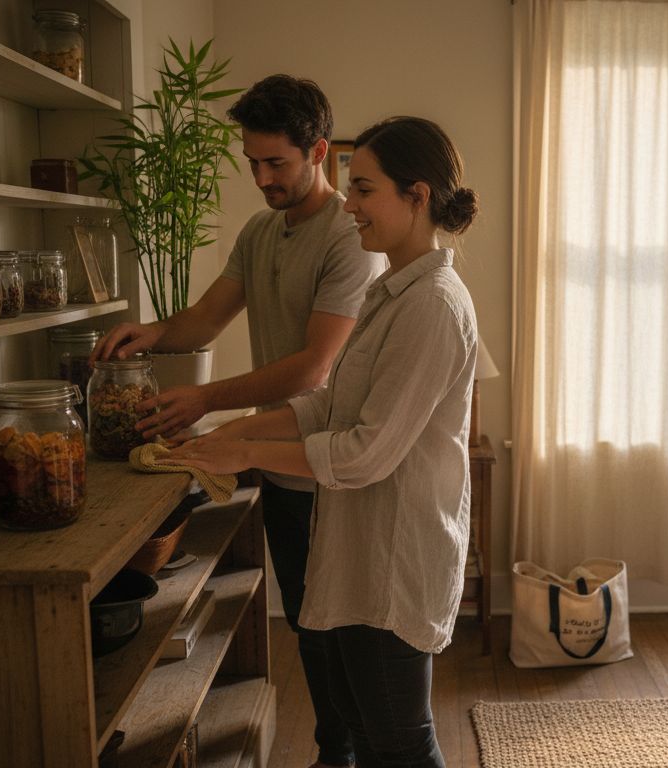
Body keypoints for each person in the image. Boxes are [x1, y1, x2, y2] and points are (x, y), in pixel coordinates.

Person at [165, 116, 480, 768]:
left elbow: (364, 452)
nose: (351, 205)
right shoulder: (393, 291)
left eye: (363, 189)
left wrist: (247, 452)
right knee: (369, 736)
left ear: (416, 195)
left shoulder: (433, 306)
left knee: (400, 743)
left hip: (394, 563)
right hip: (363, 553)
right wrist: (240, 428)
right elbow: (330, 405)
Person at [91, 75, 385, 768]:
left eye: (274, 162)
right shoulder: (260, 231)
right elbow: (204, 319)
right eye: (251, 161)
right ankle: (335, 754)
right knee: (311, 628)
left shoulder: (352, 237)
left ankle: (350, 754)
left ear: (318, 151)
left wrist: (205, 400)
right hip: (283, 461)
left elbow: (314, 368)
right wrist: (151, 334)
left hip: (336, 467)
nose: (260, 177)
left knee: (346, 632)